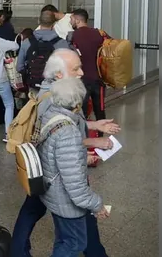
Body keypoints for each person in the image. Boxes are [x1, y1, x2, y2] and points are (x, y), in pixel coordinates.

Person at [10, 48, 120, 257]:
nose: (80, 73)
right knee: (73, 235)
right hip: (59, 177)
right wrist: (92, 142)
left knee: (54, 221)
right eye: (76, 68)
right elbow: (64, 136)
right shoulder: (51, 98)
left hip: (54, 172)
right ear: (59, 74)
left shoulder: (56, 94)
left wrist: (95, 125)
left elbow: (64, 127)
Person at [39, 77, 111, 256]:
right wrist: (97, 204)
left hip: (52, 193)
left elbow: (58, 155)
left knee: (64, 240)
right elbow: (76, 187)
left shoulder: (50, 114)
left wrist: (80, 157)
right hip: (65, 202)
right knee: (75, 243)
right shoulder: (69, 132)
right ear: (77, 104)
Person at [69, 9, 106, 124]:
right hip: (98, 80)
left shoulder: (72, 36)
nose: (70, 22)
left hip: (81, 81)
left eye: (71, 19)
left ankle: (82, 138)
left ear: (77, 20)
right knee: (100, 111)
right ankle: (101, 135)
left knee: (81, 112)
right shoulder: (100, 33)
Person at [17, 10, 70, 91]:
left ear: (39, 21)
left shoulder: (26, 42)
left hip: (34, 86)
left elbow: (19, 67)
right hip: (55, 88)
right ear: (54, 24)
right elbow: (68, 67)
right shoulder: (62, 43)